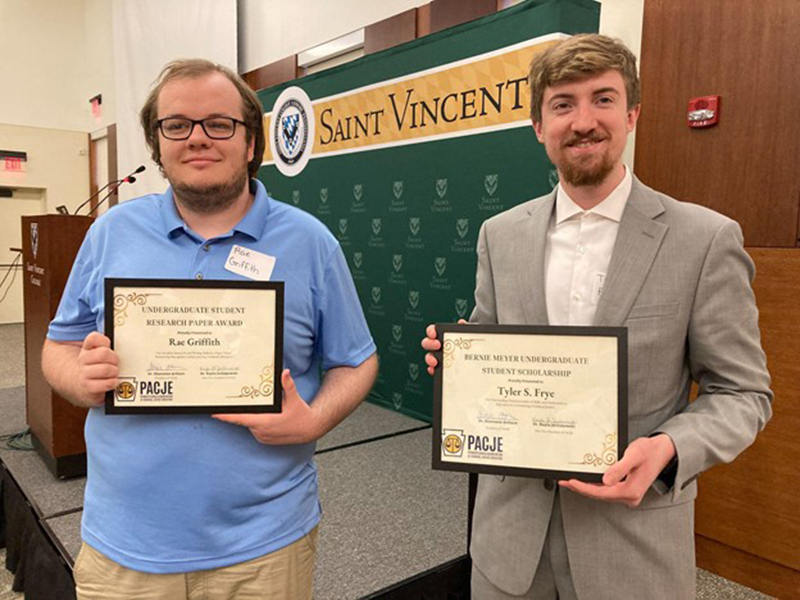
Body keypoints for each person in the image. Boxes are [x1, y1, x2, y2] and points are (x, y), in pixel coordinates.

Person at [422, 34, 772, 599]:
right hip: (508, 548)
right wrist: (461, 363)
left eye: (602, 99)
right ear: (539, 126)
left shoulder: (704, 239)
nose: (583, 121)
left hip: (633, 552)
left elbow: (744, 392)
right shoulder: (500, 235)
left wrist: (669, 448)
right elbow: (488, 339)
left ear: (632, 114)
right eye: (562, 104)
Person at [42, 59, 377, 599]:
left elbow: (357, 359)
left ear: (250, 142)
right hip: (124, 549)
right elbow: (59, 345)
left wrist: (314, 420)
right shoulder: (110, 232)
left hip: (266, 549)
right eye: (177, 125)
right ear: (158, 144)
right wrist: (79, 380)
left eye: (219, 123)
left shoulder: (310, 243)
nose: (198, 139)